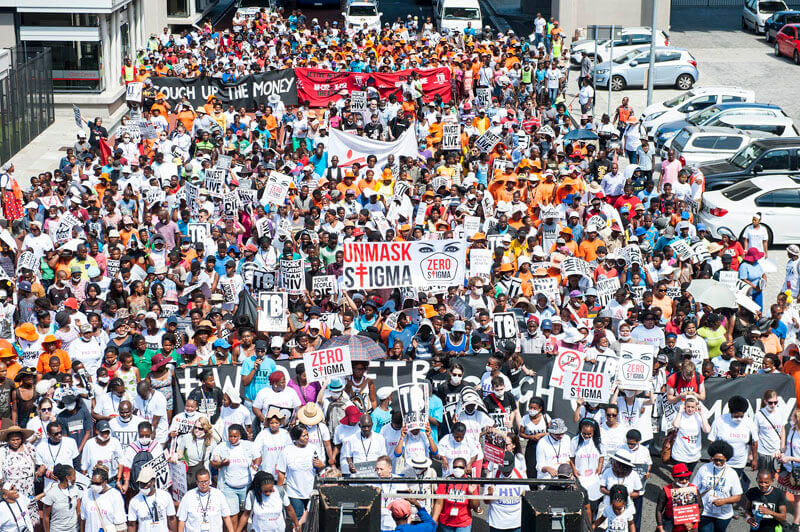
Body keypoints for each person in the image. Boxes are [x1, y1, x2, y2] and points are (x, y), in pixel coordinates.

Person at [692, 441, 741, 532]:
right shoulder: (704, 469)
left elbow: (738, 496)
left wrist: (724, 501)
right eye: (715, 460)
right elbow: (694, 489)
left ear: (726, 459)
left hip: (723, 514)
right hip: (705, 512)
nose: (718, 462)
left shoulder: (732, 473)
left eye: (721, 460)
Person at [127, 466, 178, 532]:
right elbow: (132, 525)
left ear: (153, 481)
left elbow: (171, 519)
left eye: (146, 483)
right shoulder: (134, 501)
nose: (144, 486)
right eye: (141, 483)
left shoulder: (165, 496)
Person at [655, 463, 702, 532]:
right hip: (670, 524)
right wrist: (660, 526)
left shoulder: (693, 489)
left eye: (687, 478)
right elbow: (659, 510)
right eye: (681, 479)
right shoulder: (666, 490)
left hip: (689, 526)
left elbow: (700, 507)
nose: (684, 481)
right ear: (674, 478)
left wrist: (692, 522)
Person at [80, 465, 127, 532]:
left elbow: (120, 525)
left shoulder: (115, 495)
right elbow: (83, 519)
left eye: (97, 483)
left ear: (105, 482)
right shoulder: (87, 493)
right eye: (92, 483)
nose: (94, 486)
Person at [42, 463, 81, 532]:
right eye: (74, 476)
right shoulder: (52, 493)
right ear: (67, 477)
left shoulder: (75, 489)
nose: (75, 478)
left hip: (74, 530)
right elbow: (46, 517)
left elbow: (78, 512)